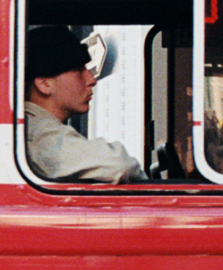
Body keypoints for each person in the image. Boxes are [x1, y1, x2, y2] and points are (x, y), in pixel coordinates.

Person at [23, 26, 145, 182]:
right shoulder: (38, 134)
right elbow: (118, 164)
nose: (92, 80)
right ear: (44, 84)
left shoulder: (33, 127)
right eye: (79, 70)